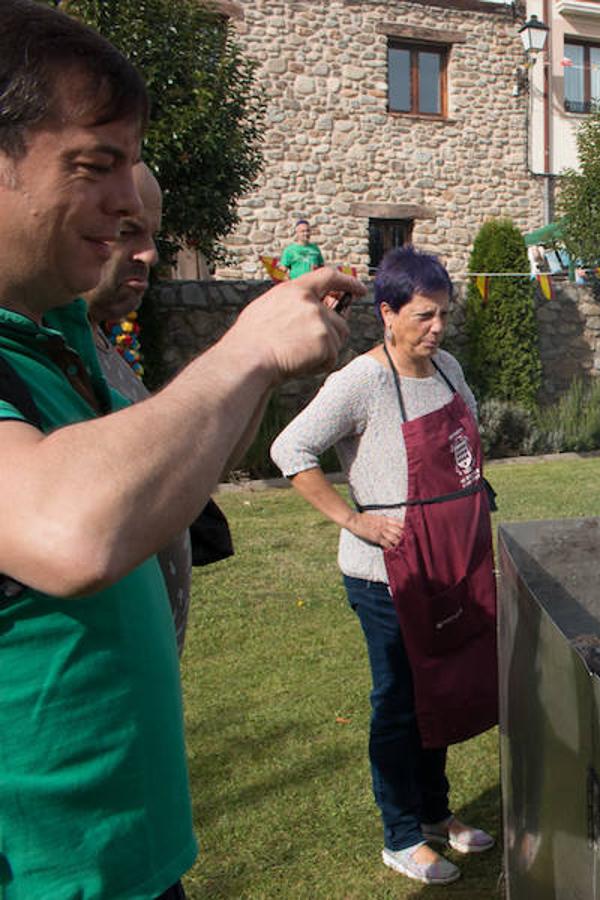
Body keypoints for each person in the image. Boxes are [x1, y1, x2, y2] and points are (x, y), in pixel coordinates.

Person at [0, 4, 358, 897]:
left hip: (129, 856)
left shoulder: (59, 341)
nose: (127, 206)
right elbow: (69, 532)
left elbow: (163, 475)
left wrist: (262, 370)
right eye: (94, 165)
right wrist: (246, 350)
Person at [271, 247, 496, 886]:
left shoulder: (447, 369)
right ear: (388, 313)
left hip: (447, 563)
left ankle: (433, 814)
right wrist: (355, 520)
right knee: (398, 698)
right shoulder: (361, 382)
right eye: (425, 316)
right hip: (385, 575)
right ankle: (399, 835)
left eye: (444, 315)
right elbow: (290, 448)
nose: (438, 329)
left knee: (441, 687)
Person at [79, 161, 194, 654]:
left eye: (152, 233)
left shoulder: (93, 343)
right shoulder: (34, 356)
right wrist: (252, 352)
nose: (148, 253)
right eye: (127, 230)